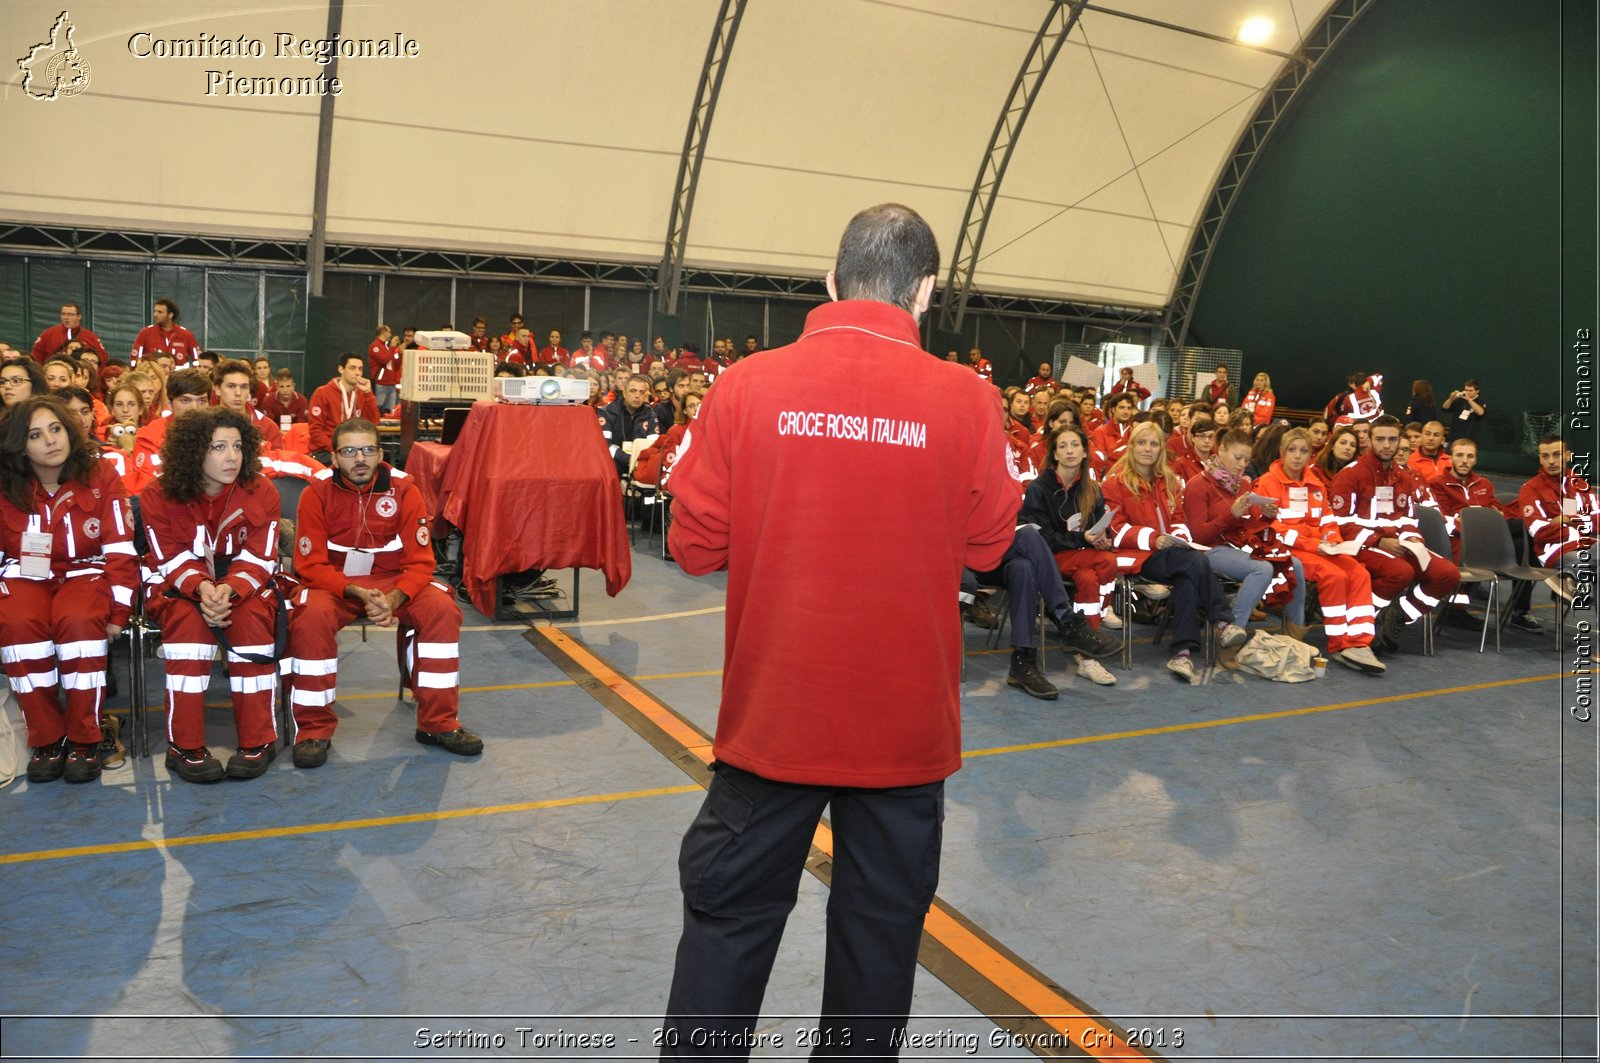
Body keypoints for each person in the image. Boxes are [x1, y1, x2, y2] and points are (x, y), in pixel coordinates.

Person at [659, 203, 1018, 1055]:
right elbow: (992, 543)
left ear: (829, 281)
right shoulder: (971, 402)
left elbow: (694, 543)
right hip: (904, 735)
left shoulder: (745, 386)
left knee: (728, 924)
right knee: (879, 936)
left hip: (774, 722)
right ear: (926, 293)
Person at [286, 418, 480, 768]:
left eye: (367, 450)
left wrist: (395, 598)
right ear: (334, 458)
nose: (359, 458)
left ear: (380, 453)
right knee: (309, 616)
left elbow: (421, 563)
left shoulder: (405, 490)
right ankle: (314, 730)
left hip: (393, 583)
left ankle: (438, 723)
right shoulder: (315, 493)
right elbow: (310, 565)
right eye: (348, 451)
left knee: (441, 609)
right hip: (336, 584)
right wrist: (355, 591)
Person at [0, 396, 138, 783]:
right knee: (16, 622)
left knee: (78, 623)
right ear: (18, 445)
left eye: (56, 429)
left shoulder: (101, 475)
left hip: (85, 574)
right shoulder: (5, 484)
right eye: (35, 435)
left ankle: (85, 737)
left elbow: (121, 550)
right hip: (25, 576)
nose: (50, 441)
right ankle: (47, 739)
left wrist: (118, 612)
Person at [141, 407, 283, 782]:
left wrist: (228, 592)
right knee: (188, 633)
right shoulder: (157, 493)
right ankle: (183, 746)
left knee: (253, 625)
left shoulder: (262, 489)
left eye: (237, 446)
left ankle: (258, 741)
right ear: (193, 451)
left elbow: (261, 557)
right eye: (218, 447)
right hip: (179, 585)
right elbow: (167, 556)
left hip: (242, 585)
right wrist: (203, 589)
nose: (232, 456)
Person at [1101, 421, 1249, 683]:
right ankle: (1223, 622)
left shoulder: (1169, 481)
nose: (1148, 449)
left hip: (1173, 556)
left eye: (1154, 443)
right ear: (1132, 446)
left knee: (1188, 578)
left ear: (1161, 449)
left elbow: (1179, 519)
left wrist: (1180, 538)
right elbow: (1115, 530)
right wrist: (1154, 539)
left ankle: (1182, 653)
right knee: (1194, 562)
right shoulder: (1115, 483)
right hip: (1138, 557)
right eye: (1142, 443)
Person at [1326, 415, 1461, 651]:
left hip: (1397, 544)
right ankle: (1367, 620)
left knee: (1448, 573)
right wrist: (1379, 541)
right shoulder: (1350, 475)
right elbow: (1341, 525)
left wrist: (1413, 540)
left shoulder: (1403, 476)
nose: (1386, 445)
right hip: (1359, 546)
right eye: (1380, 439)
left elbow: (1408, 518)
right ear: (1369, 439)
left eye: (1392, 439)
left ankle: (1396, 616)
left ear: (1400, 440)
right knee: (1401, 572)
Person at [1255, 428, 1385, 671]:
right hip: (1288, 550)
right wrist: (1315, 544)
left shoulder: (1315, 484)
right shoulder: (1267, 483)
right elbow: (1275, 528)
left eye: (1304, 451)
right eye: (1292, 450)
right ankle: (1340, 644)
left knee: (1359, 574)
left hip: (1323, 547)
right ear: (1282, 452)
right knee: (1334, 576)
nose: (1297, 456)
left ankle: (1359, 642)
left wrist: (1333, 538)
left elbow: (1327, 519)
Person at [1019, 423, 1131, 683]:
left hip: (1081, 559)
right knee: (1106, 561)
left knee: (1088, 578)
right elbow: (1039, 539)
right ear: (1054, 454)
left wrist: (1102, 539)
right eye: (1063, 446)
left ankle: (1087, 658)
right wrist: (1082, 539)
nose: (1069, 451)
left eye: (1075, 445)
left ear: (1084, 453)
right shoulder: (1038, 489)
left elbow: (1100, 529)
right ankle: (1101, 618)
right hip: (1047, 561)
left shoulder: (1092, 489)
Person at [1182, 429, 1306, 638]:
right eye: (1237, 457)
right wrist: (1230, 515)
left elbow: (1248, 527)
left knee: (1295, 564)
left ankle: (1295, 635)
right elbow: (1197, 537)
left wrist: (1266, 517)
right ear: (1221, 450)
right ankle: (1230, 632)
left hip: (1237, 547)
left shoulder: (1244, 484)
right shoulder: (1198, 485)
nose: (1241, 465)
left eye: (1246, 460)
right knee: (1262, 569)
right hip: (1207, 551)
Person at [1428, 437, 1541, 632]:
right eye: (1460, 455)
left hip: (1489, 541)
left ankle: (1519, 611)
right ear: (1451, 458)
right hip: (1458, 541)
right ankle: (1456, 610)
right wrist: (1477, 522)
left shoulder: (1483, 483)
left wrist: (1492, 516)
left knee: (1523, 540)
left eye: (1470, 456)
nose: (1464, 460)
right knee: (1523, 529)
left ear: (1476, 460)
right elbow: (1442, 518)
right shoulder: (1438, 484)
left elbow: (1496, 509)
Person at [1518, 434, 1597, 603]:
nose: (1551, 461)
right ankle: (1568, 574)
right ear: (1540, 459)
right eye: (1545, 456)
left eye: (1557, 454)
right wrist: (1577, 528)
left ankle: (1569, 575)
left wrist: (1568, 519)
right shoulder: (1530, 489)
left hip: (1588, 549)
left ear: (1567, 455)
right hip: (1555, 552)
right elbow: (1540, 531)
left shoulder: (1580, 485)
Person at [125, 368, 215, 493]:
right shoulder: (150, 437)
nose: (194, 408)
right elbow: (146, 489)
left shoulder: (222, 434)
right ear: (170, 402)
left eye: (201, 401)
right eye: (185, 400)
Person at [309, 352, 380, 464]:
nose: (357, 373)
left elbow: (373, 422)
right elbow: (316, 431)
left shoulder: (362, 394)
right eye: (352, 368)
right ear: (341, 369)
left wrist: (368, 392)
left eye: (360, 369)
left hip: (355, 449)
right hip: (327, 451)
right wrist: (338, 450)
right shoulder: (322, 393)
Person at [215, 359, 284, 449]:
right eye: (231, 386)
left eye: (244, 387)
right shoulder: (204, 425)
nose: (238, 393)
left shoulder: (268, 428)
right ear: (217, 390)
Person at [598, 373, 656, 478]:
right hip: (613, 462)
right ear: (624, 393)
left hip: (640, 462)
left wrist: (638, 460)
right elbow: (604, 444)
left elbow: (654, 444)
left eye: (641, 392)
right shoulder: (607, 412)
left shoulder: (650, 415)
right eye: (633, 391)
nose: (637, 395)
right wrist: (628, 458)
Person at [31, 302, 108, 366]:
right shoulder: (48, 334)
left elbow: (103, 359)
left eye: (70, 314)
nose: (66, 317)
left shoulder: (91, 337)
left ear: (79, 316)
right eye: (63, 314)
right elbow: (36, 356)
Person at [131, 298, 200, 366]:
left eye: (159, 312)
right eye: (155, 311)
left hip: (178, 376)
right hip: (154, 375)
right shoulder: (146, 332)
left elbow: (197, 359)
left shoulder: (186, 335)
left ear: (170, 315)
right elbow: (135, 358)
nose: (155, 314)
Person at [1089, 391, 1137, 475]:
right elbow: (1100, 462)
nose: (1126, 412)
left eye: (1129, 408)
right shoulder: (1100, 432)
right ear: (1113, 409)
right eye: (1122, 407)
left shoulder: (1135, 432)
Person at [367, 325, 401, 412]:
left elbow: (395, 365)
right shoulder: (375, 346)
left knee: (390, 411)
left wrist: (399, 354)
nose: (390, 334)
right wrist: (392, 347)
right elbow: (384, 360)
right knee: (377, 410)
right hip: (380, 384)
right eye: (389, 332)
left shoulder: (386, 347)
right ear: (383, 332)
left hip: (391, 384)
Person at [1441, 379, 1486, 444]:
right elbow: (1444, 408)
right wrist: (1450, 399)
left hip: (1469, 439)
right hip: (1453, 437)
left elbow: (1481, 412)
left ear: (1477, 391)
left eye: (1470, 390)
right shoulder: (1460, 400)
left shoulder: (1480, 402)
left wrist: (1469, 400)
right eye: (1466, 390)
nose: (1467, 392)